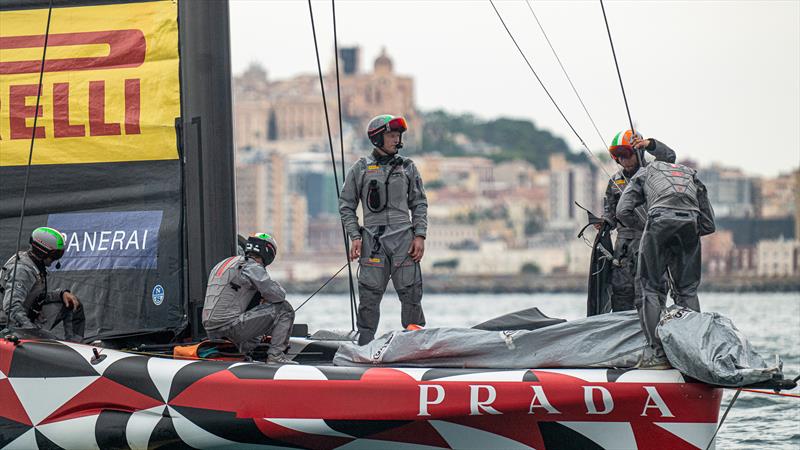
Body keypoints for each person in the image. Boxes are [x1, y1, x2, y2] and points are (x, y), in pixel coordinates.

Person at [339, 114, 428, 345]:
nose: (396, 139)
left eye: (398, 135)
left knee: (411, 296)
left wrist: (420, 235)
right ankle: (364, 348)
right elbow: (346, 205)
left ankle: (415, 346)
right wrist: (355, 236)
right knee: (368, 299)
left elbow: (419, 203)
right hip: (373, 242)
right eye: (391, 135)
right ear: (377, 138)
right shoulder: (361, 168)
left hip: (404, 242)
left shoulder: (408, 167)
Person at [616, 159, 715, 363]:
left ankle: (658, 353)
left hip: (658, 219)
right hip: (690, 222)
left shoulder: (644, 173)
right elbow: (709, 224)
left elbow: (622, 211)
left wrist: (649, 231)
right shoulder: (690, 175)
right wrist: (685, 235)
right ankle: (692, 349)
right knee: (687, 290)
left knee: (649, 288)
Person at [599, 130, 676, 312]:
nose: (622, 160)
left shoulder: (654, 172)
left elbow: (670, 157)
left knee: (652, 291)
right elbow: (610, 212)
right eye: (617, 156)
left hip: (651, 241)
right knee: (621, 291)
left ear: (638, 153)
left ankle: (653, 334)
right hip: (624, 249)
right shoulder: (614, 182)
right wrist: (603, 223)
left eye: (626, 154)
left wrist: (649, 144)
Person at [202, 233, 297, 364]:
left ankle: (242, 353)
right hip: (229, 329)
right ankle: (276, 356)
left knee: (258, 308)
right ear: (268, 253)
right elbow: (278, 296)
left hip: (210, 330)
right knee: (284, 309)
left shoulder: (226, 263)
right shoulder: (251, 266)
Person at [0, 227, 84, 341]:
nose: (56, 259)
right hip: (9, 326)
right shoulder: (23, 270)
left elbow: (34, 296)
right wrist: (31, 331)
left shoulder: (35, 264)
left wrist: (60, 294)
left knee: (72, 303)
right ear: (44, 251)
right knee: (51, 341)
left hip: (29, 316)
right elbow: (11, 307)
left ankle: (77, 344)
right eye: (56, 254)